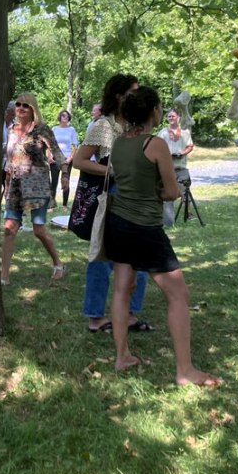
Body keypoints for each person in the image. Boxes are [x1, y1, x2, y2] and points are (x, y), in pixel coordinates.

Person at [103, 86, 220, 386]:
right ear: (153, 111)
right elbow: (171, 191)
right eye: (159, 107)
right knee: (178, 295)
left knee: (121, 289)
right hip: (145, 228)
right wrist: (166, 189)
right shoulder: (155, 144)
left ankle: (122, 357)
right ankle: (185, 371)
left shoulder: (118, 142)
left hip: (118, 224)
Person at [72, 74, 152, 334]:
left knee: (138, 256)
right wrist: (111, 171)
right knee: (102, 256)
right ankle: (95, 316)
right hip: (112, 195)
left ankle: (129, 314)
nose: (137, 96)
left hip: (136, 196)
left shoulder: (138, 124)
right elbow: (79, 161)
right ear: (119, 96)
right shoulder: (103, 126)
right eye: (133, 92)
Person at [0, 92, 65, 284]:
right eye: (18, 104)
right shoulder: (11, 130)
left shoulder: (41, 129)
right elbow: (9, 159)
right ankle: (3, 275)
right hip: (16, 186)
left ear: (32, 108)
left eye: (25, 105)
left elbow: (57, 152)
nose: (20, 108)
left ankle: (58, 263)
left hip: (37, 185)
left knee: (38, 230)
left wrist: (65, 174)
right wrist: (6, 183)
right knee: (9, 229)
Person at [158, 109, 194, 227]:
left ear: (178, 118)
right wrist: (166, 155)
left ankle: (188, 215)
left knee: (185, 191)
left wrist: (183, 153)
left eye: (173, 116)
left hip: (181, 167)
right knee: (167, 193)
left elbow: (190, 146)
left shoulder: (185, 132)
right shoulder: (163, 133)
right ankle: (168, 220)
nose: (171, 118)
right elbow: (157, 148)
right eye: (169, 116)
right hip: (167, 169)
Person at [50, 110, 79, 208]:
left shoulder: (71, 129)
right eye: (63, 115)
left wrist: (70, 158)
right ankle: (52, 205)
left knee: (66, 181)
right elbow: (50, 144)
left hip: (67, 159)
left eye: (67, 116)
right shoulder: (54, 129)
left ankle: (65, 205)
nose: (65, 117)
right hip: (55, 158)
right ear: (60, 117)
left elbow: (75, 146)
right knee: (54, 182)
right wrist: (50, 156)